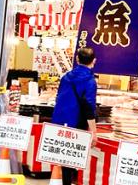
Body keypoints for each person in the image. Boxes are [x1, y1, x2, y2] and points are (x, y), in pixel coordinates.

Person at [51, 47, 98, 185]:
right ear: (94, 61)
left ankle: (65, 182)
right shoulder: (90, 81)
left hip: (60, 120)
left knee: (65, 156)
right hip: (77, 122)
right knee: (73, 156)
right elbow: (89, 106)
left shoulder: (66, 77)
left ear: (77, 59)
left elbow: (59, 97)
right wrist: (93, 131)